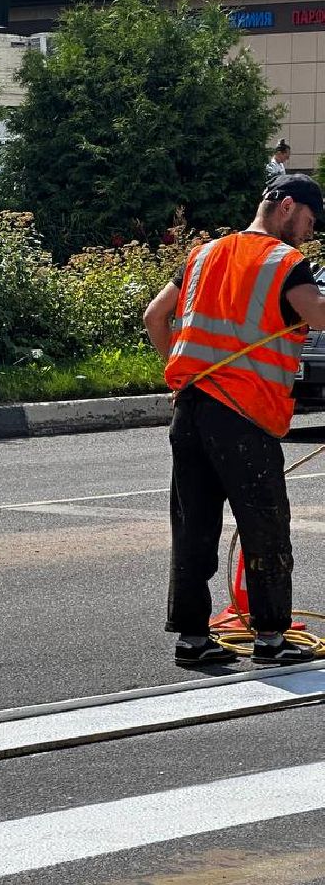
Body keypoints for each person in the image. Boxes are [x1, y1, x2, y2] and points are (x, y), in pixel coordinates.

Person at [143, 173, 325, 668]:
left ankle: (193, 639)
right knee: (264, 523)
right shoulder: (284, 262)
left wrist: (179, 377)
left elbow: (155, 317)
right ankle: (270, 639)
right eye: (309, 221)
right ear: (286, 207)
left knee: (193, 526)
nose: (309, 232)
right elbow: (320, 316)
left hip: (191, 409)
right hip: (244, 417)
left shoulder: (203, 254)